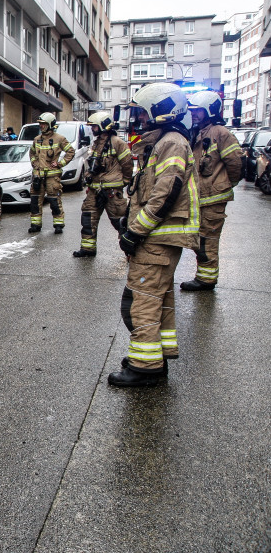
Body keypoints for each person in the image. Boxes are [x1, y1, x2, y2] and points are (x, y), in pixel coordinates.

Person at [109, 82, 200, 387]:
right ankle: (153, 356)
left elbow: (165, 192)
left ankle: (145, 366)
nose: (138, 120)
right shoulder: (163, 142)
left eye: (143, 113)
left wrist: (135, 231)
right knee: (156, 298)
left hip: (156, 239)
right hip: (157, 238)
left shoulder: (171, 143)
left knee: (142, 299)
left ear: (161, 112)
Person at [179, 91, 241, 291]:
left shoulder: (220, 133)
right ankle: (204, 276)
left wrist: (226, 183)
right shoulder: (198, 132)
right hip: (201, 198)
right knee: (201, 239)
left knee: (208, 240)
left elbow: (236, 162)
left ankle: (206, 280)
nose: (194, 114)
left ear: (210, 111)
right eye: (193, 110)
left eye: (198, 110)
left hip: (213, 200)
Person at [72, 111, 133, 257]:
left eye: (94, 126)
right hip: (94, 190)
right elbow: (92, 163)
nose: (92, 129)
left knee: (120, 222)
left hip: (112, 192)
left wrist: (124, 182)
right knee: (88, 218)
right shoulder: (97, 143)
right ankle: (88, 248)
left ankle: (131, 251)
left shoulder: (118, 143)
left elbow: (127, 165)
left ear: (103, 126)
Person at [28, 112, 75, 233]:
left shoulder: (59, 139)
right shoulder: (37, 140)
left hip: (52, 177)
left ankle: (58, 225)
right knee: (35, 201)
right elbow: (32, 153)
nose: (41, 126)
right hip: (38, 176)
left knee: (54, 201)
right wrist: (34, 163)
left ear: (50, 124)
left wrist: (60, 163)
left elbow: (70, 151)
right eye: (40, 124)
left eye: (43, 124)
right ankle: (35, 225)